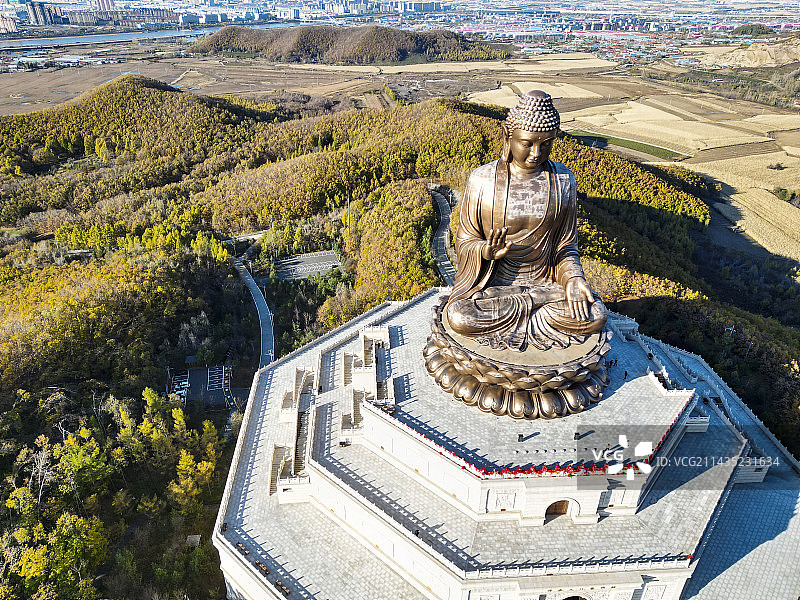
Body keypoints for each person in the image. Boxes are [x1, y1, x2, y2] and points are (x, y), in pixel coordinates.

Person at [445, 90, 607, 352]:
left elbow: (566, 247)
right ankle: (536, 303)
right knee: (461, 317)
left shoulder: (563, 181)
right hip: (496, 284)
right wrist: (485, 251)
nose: (536, 152)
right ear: (508, 136)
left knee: (595, 315)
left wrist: (574, 279)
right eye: (527, 143)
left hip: (545, 282)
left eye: (546, 144)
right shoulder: (482, 180)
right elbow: (465, 240)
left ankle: (537, 299)